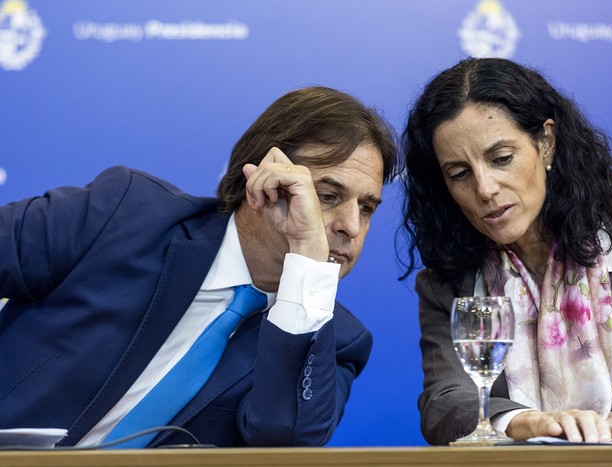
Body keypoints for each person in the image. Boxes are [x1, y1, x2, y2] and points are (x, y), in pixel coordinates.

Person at [0, 86, 397, 448]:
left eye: (366, 208)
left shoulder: (336, 339)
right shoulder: (124, 213)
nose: (352, 226)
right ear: (264, 183)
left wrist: (307, 262)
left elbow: (283, 443)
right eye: (327, 196)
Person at [400, 57, 612, 444]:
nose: (484, 188)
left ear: (546, 144)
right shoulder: (447, 285)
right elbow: (446, 403)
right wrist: (525, 422)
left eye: (501, 159)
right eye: (459, 174)